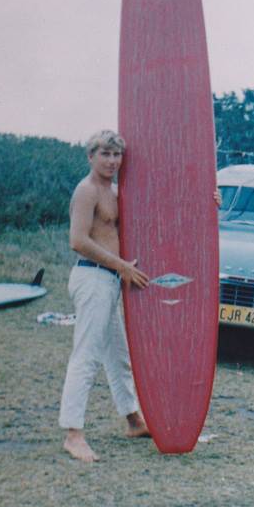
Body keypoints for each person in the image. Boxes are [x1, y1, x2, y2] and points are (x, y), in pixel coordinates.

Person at [59, 129, 151, 462]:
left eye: (117, 155)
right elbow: (78, 240)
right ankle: (73, 434)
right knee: (86, 356)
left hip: (109, 281)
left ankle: (133, 420)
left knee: (118, 355)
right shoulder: (87, 190)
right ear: (91, 157)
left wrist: (210, 199)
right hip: (92, 277)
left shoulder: (115, 191)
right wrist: (121, 266)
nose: (112, 161)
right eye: (105, 154)